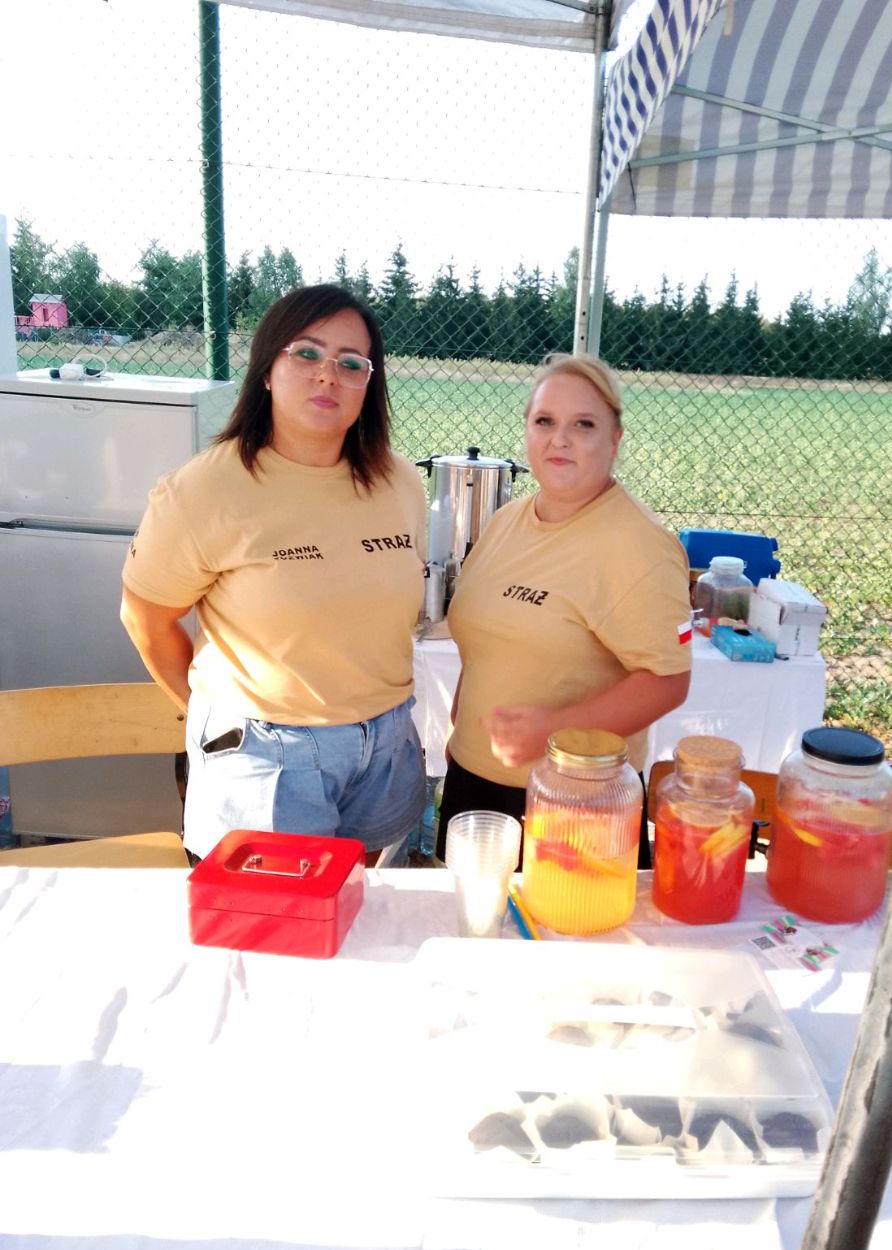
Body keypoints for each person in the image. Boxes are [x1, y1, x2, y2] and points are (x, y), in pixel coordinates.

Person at [120, 284, 428, 864]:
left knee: (368, 919)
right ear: (266, 370)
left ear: (370, 381)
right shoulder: (204, 490)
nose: (327, 375)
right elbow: (145, 617)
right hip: (266, 760)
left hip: (383, 749)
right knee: (273, 937)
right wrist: (217, 721)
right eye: (306, 353)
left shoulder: (400, 483)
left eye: (351, 363)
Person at [435, 352, 692, 866]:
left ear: (614, 440)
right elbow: (484, 639)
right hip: (476, 783)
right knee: (475, 934)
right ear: (527, 430)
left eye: (584, 425)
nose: (561, 439)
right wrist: (461, 729)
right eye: (545, 422)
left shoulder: (639, 546)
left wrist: (553, 731)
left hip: (575, 800)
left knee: (570, 939)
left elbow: (668, 680)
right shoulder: (507, 522)